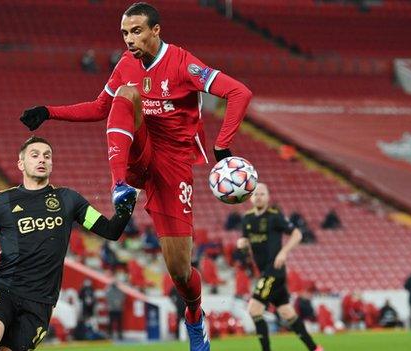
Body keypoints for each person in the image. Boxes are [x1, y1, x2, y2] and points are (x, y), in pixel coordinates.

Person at [20, 4, 252, 349]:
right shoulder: (126, 65)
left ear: (156, 30)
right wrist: (49, 111)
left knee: (180, 273)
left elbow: (239, 92)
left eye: (137, 31)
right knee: (126, 95)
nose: (129, 40)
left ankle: (194, 316)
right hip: (141, 153)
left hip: (174, 167)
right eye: (125, 33)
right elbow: (101, 108)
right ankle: (119, 186)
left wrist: (222, 146)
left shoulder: (183, 64)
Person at [0, 136, 136, 351]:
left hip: (41, 299)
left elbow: (110, 230)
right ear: (21, 164)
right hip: (5, 286)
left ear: (51, 164)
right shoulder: (2, 201)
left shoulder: (69, 200)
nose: (42, 159)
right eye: (35, 155)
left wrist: (126, 205)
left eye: (47, 156)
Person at [237, 183, 323, 351]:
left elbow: (297, 234)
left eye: (262, 194)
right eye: (256, 194)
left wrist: (283, 252)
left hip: (273, 271)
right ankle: (315, 348)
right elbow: (247, 242)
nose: (259, 197)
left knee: (254, 310)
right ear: (250, 198)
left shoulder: (274, 216)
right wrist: (243, 243)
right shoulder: (247, 218)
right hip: (264, 271)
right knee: (287, 312)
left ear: (268, 197)